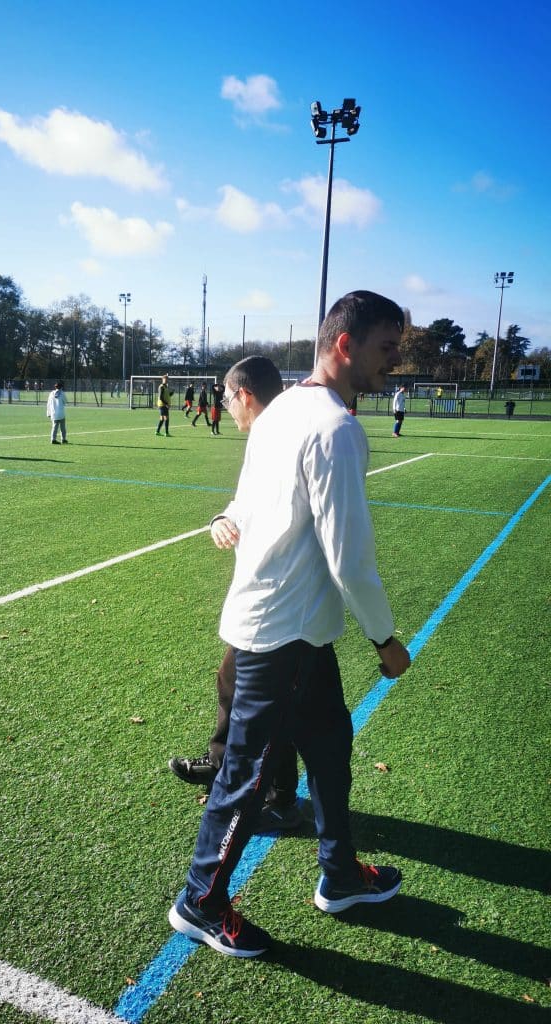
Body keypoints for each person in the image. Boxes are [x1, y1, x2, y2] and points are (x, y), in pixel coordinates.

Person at [168, 290, 411, 958]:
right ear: (344, 345)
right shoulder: (335, 428)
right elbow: (350, 557)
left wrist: (230, 518)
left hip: (299, 630)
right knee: (245, 778)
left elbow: (247, 502)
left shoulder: (282, 413)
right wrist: (385, 639)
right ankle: (199, 901)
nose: (393, 362)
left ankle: (338, 874)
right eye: (386, 348)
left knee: (330, 749)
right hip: (283, 634)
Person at [169, 356, 303, 832]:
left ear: (245, 395)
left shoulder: (289, 436)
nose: (224, 407)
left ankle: (277, 794)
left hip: (285, 599)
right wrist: (222, 518)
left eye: (227, 398)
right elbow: (245, 500)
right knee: (235, 682)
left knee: (277, 701)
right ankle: (230, 768)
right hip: (263, 595)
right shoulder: (264, 438)